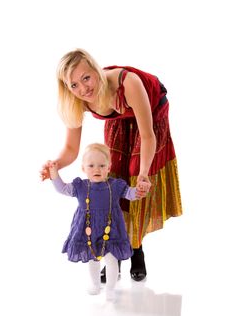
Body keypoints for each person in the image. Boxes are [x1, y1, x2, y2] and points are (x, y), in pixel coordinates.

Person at [40, 48, 182, 282]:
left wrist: (144, 173)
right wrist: (55, 164)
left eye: (86, 78)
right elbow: (71, 149)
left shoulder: (128, 83)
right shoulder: (79, 101)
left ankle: (137, 251)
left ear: (96, 70)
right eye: (73, 85)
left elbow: (147, 136)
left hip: (151, 115)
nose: (83, 89)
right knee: (113, 180)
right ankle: (114, 253)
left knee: (136, 177)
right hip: (119, 120)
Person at [47, 143, 148, 301]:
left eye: (102, 165)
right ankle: (95, 284)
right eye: (91, 165)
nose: (97, 169)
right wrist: (54, 174)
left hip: (111, 229)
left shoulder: (114, 185)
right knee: (93, 259)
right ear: (83, 168)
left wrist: (139, 190)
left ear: (109, 167)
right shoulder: (81, 186)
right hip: (88, 229)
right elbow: (63, 189)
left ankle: (110, 289)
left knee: (112, 259)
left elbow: (130, 193)